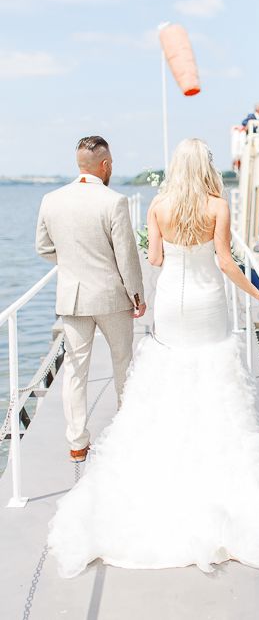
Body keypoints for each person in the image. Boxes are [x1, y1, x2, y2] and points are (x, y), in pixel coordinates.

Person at [47, 138, 259, 578]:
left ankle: (162, 463)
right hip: (206, 304)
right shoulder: (218, 206)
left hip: (170, 304)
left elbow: (157, 258)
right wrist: (258, 293)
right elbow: (225, 262)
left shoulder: (159, 206)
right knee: (213, 375)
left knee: (171, 374)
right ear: (205, 166)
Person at [36, 136, 145, 463]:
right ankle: (125, 429)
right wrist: (137, 295)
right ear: (106, 165)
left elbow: (42, 248)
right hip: (112, 297)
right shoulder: (114, 201)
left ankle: (77, 443)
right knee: (122, 362)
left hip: (73, 298)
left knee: (74, 371)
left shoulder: (50, 199)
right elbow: (126, 256)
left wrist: (71, 264)